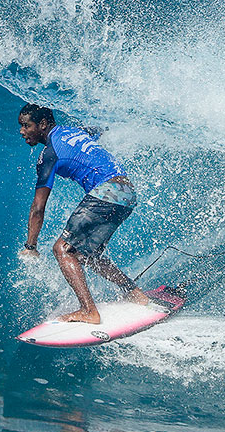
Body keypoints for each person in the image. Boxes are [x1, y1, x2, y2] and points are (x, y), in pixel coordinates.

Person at [17, 103, 148, 324]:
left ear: (42, 125)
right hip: (127, 193)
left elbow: (38, 207)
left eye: (26, 126)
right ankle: (134, 293)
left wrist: (31, 246)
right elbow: (101, 130)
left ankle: (89, 311)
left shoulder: (49, 154)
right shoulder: (75, 132)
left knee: (63, 249)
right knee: (86, 253)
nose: (22, 132)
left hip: (107, 192)